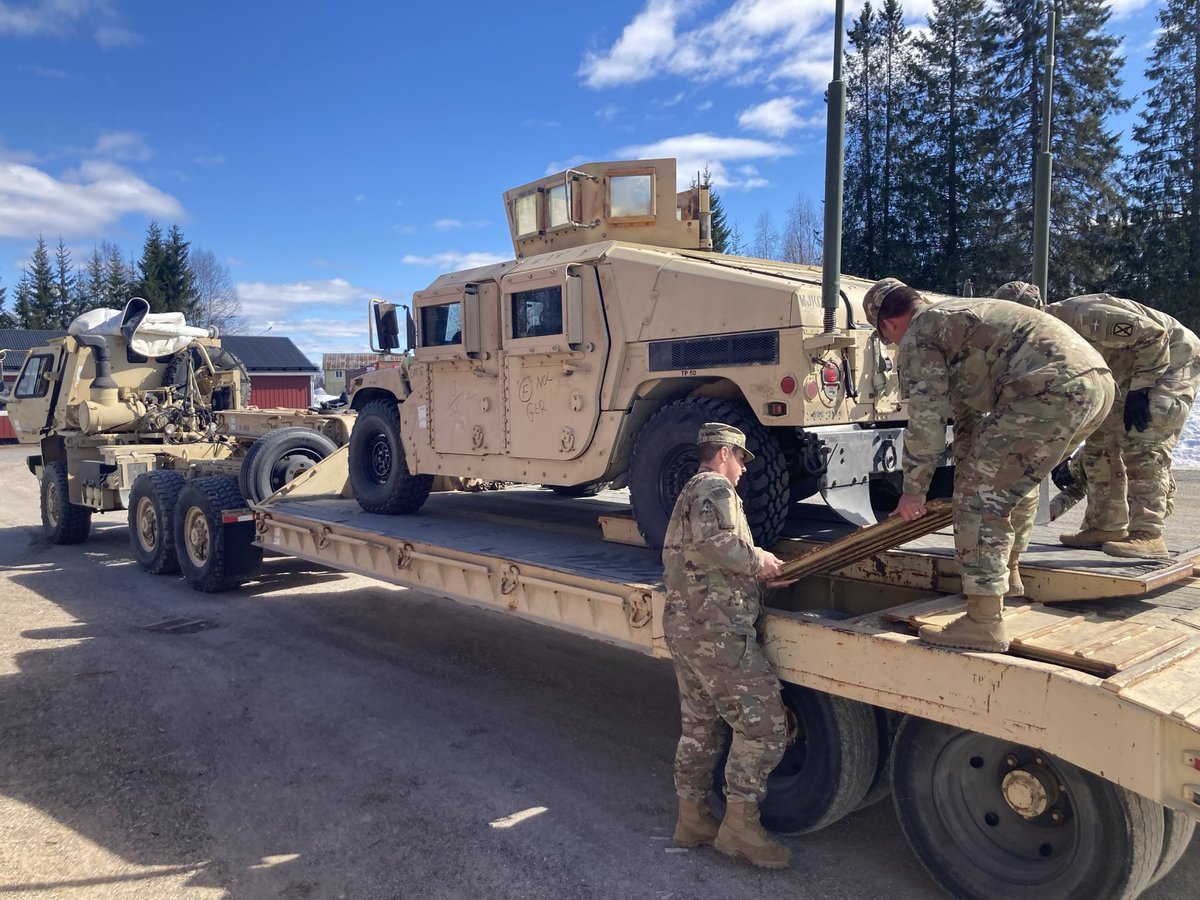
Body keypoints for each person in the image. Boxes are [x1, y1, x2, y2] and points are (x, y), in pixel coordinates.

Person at [862, 278, 1114, 651]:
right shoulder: (958, 321)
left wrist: (913, 491)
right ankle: (1007, 577)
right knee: (1013, 485)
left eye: (889, 338)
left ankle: (983, 622)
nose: (894, 344)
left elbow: (926, 421)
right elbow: (968, 421)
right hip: (1096, 386)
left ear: (887, 323)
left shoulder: (919, 333)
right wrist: (967, 474)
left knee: (980, 501)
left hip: (1047, 390)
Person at [661, 422, 791, 869]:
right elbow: (716, 544)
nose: (742, 471)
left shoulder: (692, 492)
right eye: (741, 460)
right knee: (765, 727)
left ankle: (692, 818)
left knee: (700, 726)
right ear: (723, 454)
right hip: (717, 633)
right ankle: (739, 827)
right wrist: (760, 560)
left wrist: (763, 571)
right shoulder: (715, 487)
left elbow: (707, 555)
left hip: (689, 626)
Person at [1047, 294, 1200, 559]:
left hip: (1173, 355)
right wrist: (1062, 455)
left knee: (1144, 437)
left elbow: (1155, 334)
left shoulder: (1082, 316)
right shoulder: (1043, 342)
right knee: (1102, 441)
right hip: (1127, 369)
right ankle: (1106, 526)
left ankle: (1148, 535)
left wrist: (1142, 388)